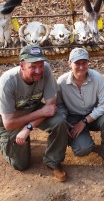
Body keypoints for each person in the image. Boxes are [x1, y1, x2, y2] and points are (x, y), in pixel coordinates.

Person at [0, 45, 68, 182]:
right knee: (21, 165)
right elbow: (8, 123)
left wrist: (28, 127)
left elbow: (51, 107)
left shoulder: (46, 70)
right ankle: (4, 142)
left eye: (41, 65)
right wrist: (34, 118)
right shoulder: (7, 82)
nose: (39, 71)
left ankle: (53, 161)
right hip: (12, 118)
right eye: (33, 67)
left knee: (60, 120)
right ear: (22, 65)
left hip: (34, 110)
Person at [57, 48, 104, 172]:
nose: (81, 67)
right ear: (69, 63)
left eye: (84, 63)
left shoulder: (97, 78)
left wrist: (84, 121)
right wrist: (65, 123)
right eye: (77, 63)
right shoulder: (61, 82)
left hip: (94, 115)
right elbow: (59, 105)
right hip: (73, 117)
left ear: (88, 63)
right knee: (82, 150)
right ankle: (78, 140)